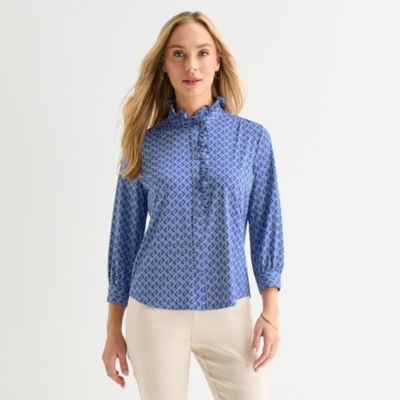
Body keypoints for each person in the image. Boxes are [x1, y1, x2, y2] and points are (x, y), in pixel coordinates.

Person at [102, 10, 285, 400]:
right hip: (154, 310)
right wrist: (112, 328)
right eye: (178, 54)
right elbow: (124, 237)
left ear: (218, 61)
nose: (191, 65)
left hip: (228, 307)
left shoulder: (252, 140)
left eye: (202, 53)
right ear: (163, 65)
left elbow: (266, 224)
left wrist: (271, 312)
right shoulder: (144, 143)